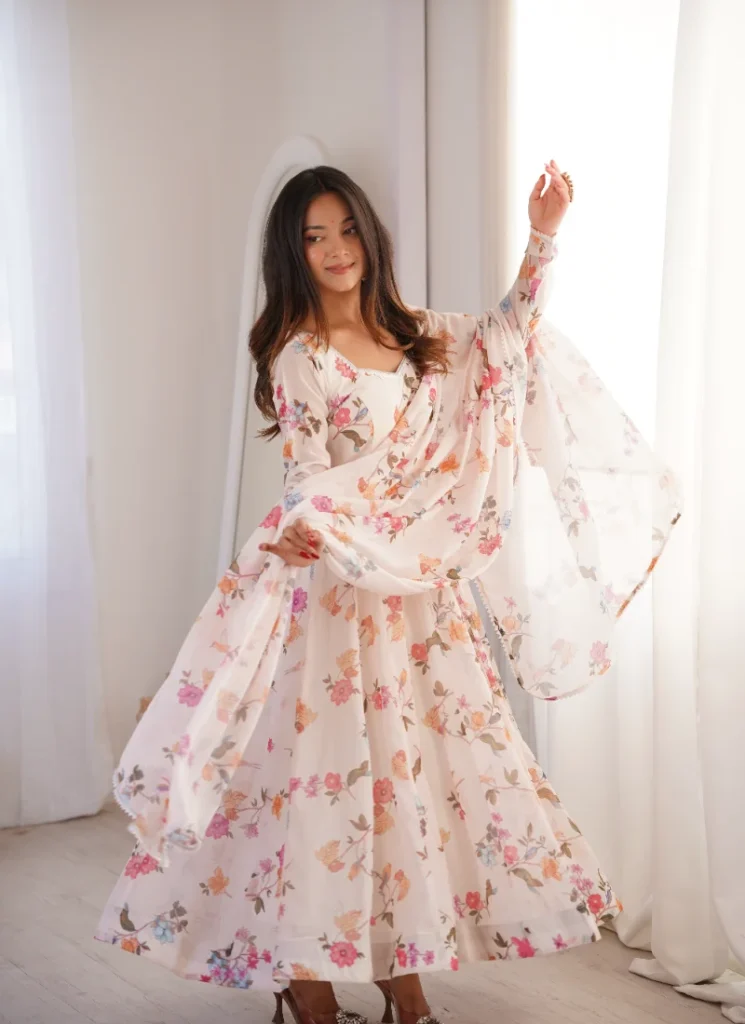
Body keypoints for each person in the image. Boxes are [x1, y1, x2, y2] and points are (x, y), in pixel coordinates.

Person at [95, 164, 681, 1024]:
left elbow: (508, 337)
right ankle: (310, 980)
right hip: (337, 597)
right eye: (314, 237)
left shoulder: (423, 339)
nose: (336, 249)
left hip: (419, 597)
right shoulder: (301, 355)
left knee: (412, 783)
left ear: (369, 235)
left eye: (346, 229)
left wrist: (543, 234)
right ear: (292, 253)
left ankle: (403, 978)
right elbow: (307, 472)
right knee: (328, 783)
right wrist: (301, 527)